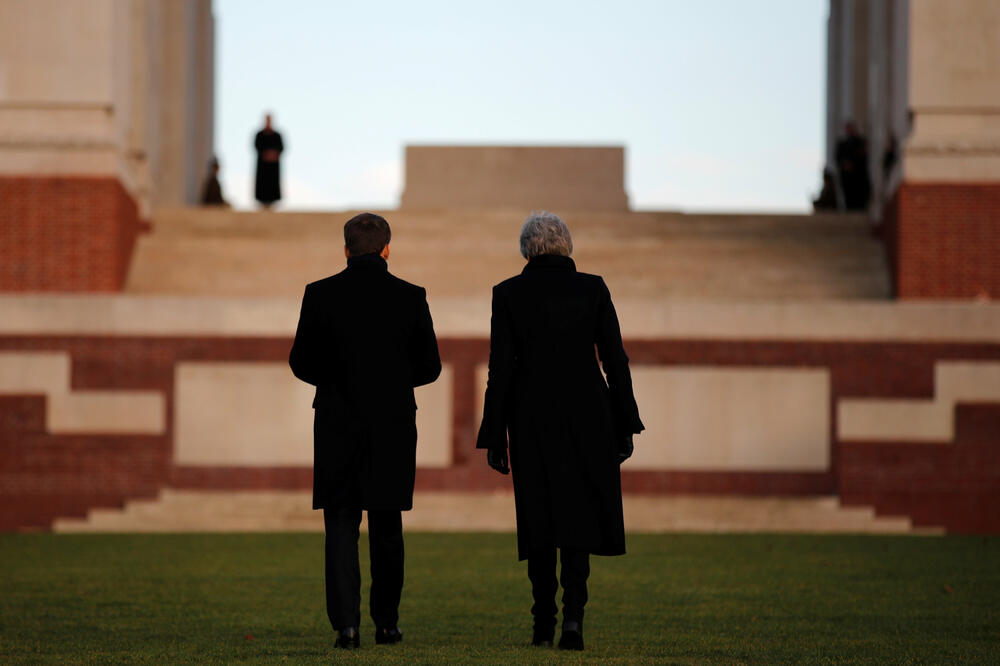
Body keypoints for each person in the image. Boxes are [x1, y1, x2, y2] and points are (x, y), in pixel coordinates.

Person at [476, 211, 644, 651]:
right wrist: (626, 422)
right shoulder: (593, 288)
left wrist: (495, 435)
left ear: (526, 249)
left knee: (540, 518)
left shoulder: (508, 293)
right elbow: (615, 359)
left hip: (530, 417)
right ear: (566, 245)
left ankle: (541, 623)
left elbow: (501, 370)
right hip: (589, 414)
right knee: (577, 518)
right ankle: (573, 619)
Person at [289, 212, 441, 650]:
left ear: (346, 249)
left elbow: (301, 361)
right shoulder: (411, 296)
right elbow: (429, 367)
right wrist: (391, 381)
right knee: (387, 526)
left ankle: (347, 627)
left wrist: (338, 380)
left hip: (336, 423)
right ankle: (387, 625)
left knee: (340, 524)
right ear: (387, 248)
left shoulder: (319, 294)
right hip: (392, 424)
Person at [835, 121, 871, 210]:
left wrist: (853, 163)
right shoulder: (842, 144)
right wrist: (845, 164)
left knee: (858, 195)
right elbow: (838, 158)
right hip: (847, 177)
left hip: (858, 176)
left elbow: (863, 156)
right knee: (848, 196)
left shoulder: (860, 142)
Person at [254, 113, 284, 207]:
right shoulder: (260, 135)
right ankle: (262, 201)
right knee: (263, 184)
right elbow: (257, 147)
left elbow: (281, 148)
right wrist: (266, 154)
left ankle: (273, 201)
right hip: (263, 166)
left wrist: (273, 155)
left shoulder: (277, 135)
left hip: (273, 166)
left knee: (272, 185)